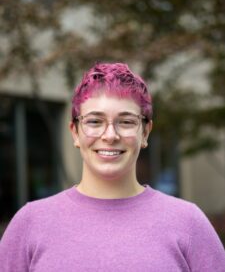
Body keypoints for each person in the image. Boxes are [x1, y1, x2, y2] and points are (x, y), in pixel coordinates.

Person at [0, 63, 225, 272]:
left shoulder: (188, 222)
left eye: (126, 122)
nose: (110, 135)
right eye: (94, 121)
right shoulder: (30, 223)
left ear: (145, 133)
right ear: (75, 132)